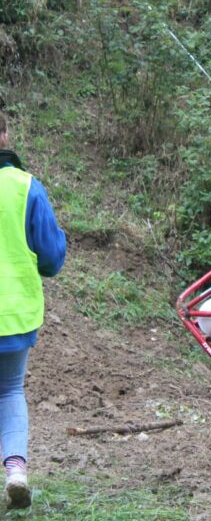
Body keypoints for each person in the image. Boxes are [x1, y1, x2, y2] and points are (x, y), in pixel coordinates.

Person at [0, 112, 67, 508]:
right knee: (9, 390)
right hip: (13, 315)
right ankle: (16, 471)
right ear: (5, 136)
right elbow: (52, 258)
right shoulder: (26, 187)